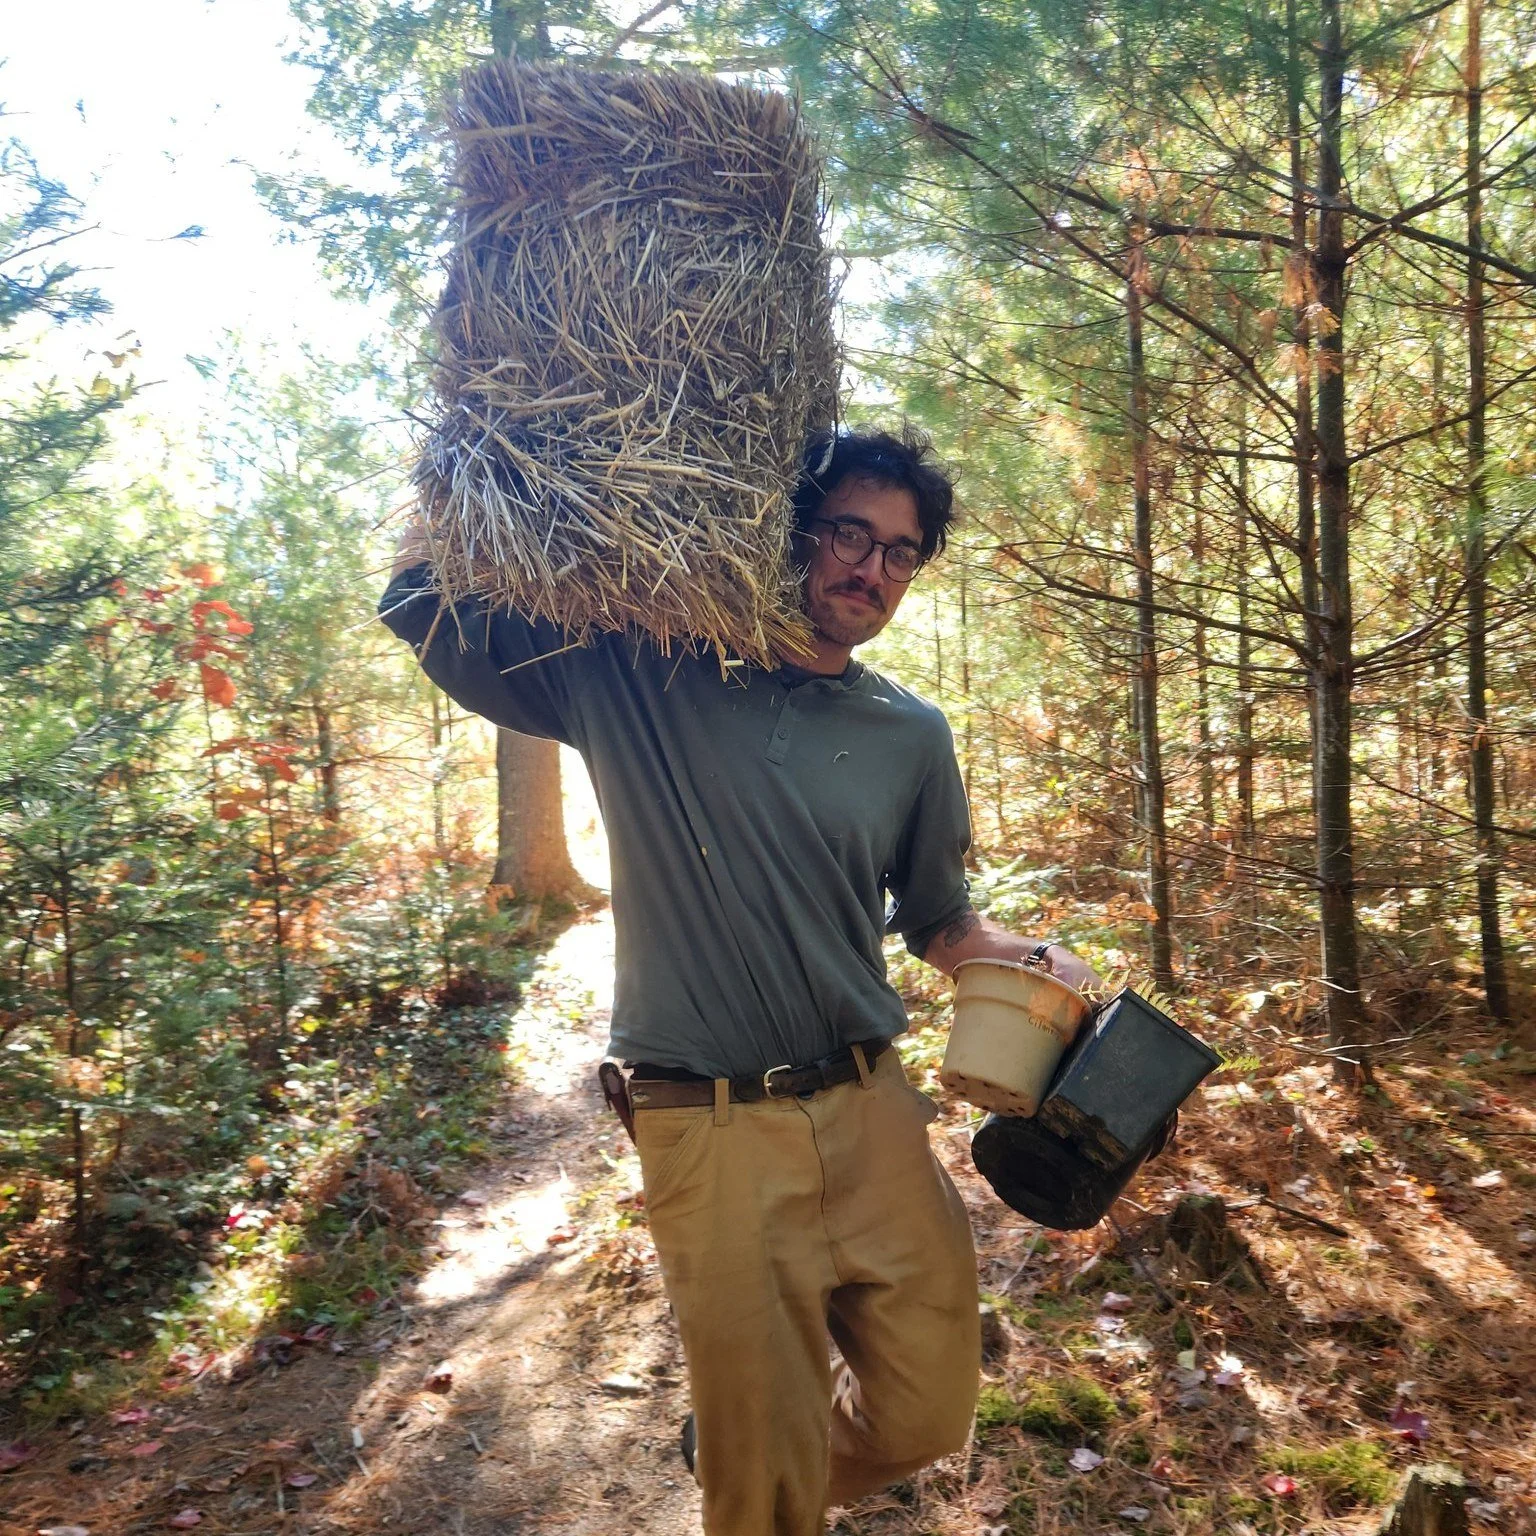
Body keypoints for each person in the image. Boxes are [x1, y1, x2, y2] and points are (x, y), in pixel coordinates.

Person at [379, 424, 1102, 1536]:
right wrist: (489, 452)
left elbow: (941, 920)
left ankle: (748, 1459)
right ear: (791, 534)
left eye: (899, 552)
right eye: (847, 534)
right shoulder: (644, 676)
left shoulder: (912, 732)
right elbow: (425, 608)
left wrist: (1034, 962)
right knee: (762, 1504)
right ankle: (753, 1477)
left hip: (871, 1113)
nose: (870, 568)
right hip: (709, 1131)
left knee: (926, 1413)